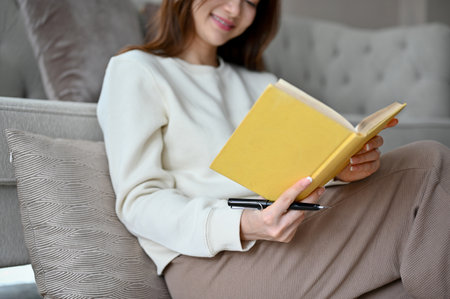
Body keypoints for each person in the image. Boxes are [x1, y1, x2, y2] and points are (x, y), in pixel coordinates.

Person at [97, 0, 450, 298]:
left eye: (251, 2)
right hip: (210, 261)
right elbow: (138, 200)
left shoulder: (262, 85)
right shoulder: (137, 71)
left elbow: (291, 178)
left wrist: (340, 172)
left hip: (288, 236)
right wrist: (244, 225)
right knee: (427, 163)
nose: (235, 9)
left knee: (414, 259)